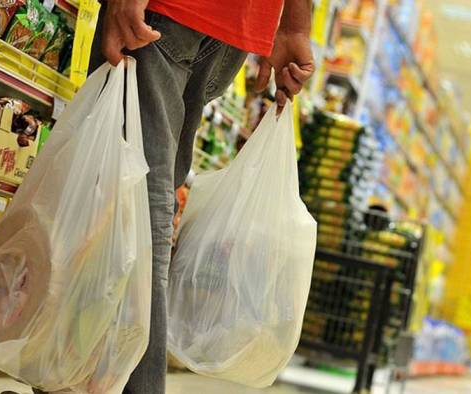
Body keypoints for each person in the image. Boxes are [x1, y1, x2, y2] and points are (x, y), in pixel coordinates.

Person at [57, 1, 313, 394]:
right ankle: (77, 379)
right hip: (237, 28)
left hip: (170, 12)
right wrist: (293, 26)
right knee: (131, 196)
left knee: (139, 204)